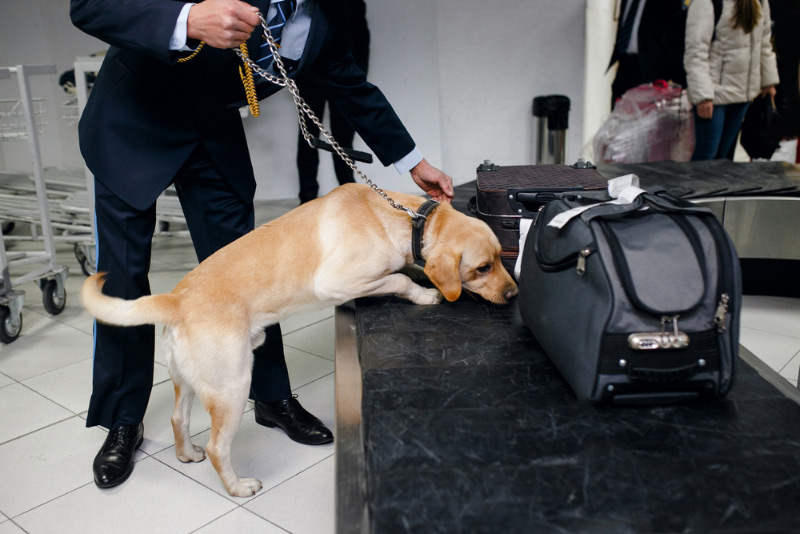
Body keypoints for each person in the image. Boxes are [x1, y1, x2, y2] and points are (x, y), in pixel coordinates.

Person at [70, 0, 454, 490]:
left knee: (256, 273)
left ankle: (272, 399)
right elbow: (90, 6)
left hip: (211, 131)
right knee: (123, 278)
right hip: (133, 122)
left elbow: (352, 86)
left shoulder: (325, 17)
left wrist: (413, 161)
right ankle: (122, 418)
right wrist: (185, 21)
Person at [684, 0, 779, 161]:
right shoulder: (708, 2)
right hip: (714, 95)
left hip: (743, 94)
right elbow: (696, 51)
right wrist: (702, 96)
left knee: (724, 157)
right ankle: (698, 187)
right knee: (706, 156)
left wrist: (769, 81)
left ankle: (717, 187)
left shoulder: (760, 2)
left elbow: (763, 44)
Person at [295, 0, 369, 203]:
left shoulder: (355, 4)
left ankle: (349, 193)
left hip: (343, 81)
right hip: (310, 79)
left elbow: (361, 37)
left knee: (343, 139)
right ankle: (307, 198)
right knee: (308, 137)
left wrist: (358, 76)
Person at [607, 0, 689, 108]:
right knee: (619, 114)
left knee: (646, 118)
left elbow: (675, 33)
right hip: (624, 64)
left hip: (652, 69)